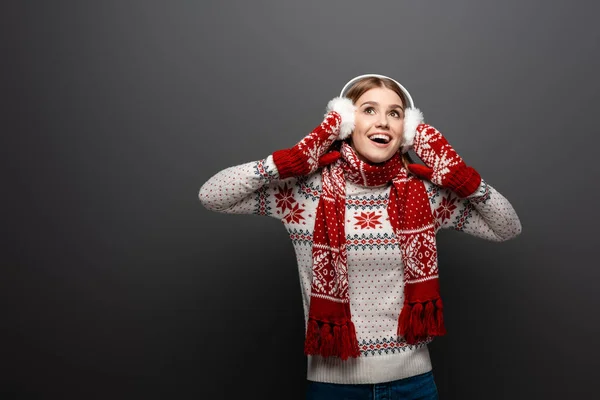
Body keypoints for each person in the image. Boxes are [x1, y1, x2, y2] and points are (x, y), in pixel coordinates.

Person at [198, 73, 521, 400]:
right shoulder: (304, 193)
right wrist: (285, 162)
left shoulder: (425, 196)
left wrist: (465, 180)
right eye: (369, 110)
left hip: (414, 385)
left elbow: (507, 227)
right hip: (332, 388)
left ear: (407, 131)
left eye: (394, 114)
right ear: (343, 123)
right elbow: (212, 195)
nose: (383, 122)